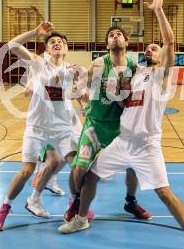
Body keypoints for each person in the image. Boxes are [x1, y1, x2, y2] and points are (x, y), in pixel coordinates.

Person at [58, 0, 184, 249]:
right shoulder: (135, 76)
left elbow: (170, 41)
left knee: (163, 191)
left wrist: (158, 11)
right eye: (147, 48)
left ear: (162, 56)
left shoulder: (162, 76)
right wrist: (83, 93)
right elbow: (117, 99)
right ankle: (81, 218)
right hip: (122, 141)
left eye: (155, 48)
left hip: (147, 145)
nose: (150, 50)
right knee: (89, 176)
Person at [61, 24, 152, 228]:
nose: (115, 37)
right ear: (107, 43)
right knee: (79, 168)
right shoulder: (98, 64)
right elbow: (80, 88)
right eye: (111, 35)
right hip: (96, 123)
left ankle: (130, 201)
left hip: (121, 126)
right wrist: (78, 90)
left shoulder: (135, 67)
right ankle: (76, 200)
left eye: (119, 34)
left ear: (127, 42)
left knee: (132, 166)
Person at [0, 23, 78, 230]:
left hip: (62, 128)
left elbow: (74, 95)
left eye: (61, 42)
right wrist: (35, 33)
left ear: (66, 48)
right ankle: (4, 208)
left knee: (78, 166)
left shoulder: (72, 71)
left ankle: (75, 204)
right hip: (37, 126)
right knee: (27, 170)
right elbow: (11, 45)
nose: (57, 43)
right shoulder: (39, 63)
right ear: (47, 49)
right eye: (52, 42)